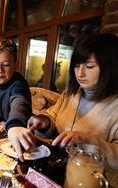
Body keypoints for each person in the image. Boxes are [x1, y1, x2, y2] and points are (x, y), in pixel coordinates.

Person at [10, 33, 118, 173]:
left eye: (89, 66)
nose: (80, 73)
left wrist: (86, 140)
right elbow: (53, 115)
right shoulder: (71, 93)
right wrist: (45, 121)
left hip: (87, 181)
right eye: (77, 66)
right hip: (54, 169)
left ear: (110, 67)